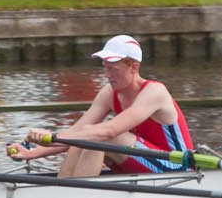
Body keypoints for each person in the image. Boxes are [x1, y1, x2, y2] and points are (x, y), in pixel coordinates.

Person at [11, 35, 193, 178]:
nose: (107, 75)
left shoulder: (154, 91)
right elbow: (77, 131)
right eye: (105, 68)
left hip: (177, 166)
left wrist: (53, 137)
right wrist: (32, 154)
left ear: (134, 67)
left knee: (97, 135)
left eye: (113, 69)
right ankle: (64, 188)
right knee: (85, 135)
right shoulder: (109, 92)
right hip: (145, 162)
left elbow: (110, 131)